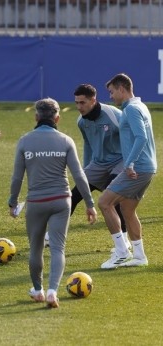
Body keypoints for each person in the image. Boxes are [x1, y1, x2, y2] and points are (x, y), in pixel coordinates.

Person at [8, 98, 97, 308]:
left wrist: (12, 202)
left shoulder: (24, 141)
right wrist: (90, 203)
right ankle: (52, 291)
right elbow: (80, 176)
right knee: (58, 248)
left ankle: (37, 290)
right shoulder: (66, 141)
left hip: (36, 202)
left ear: (36, 117)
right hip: (61, 201)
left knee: (36, 249)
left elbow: (16, 178)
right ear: (57, 117)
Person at [44, 84, 128, 250]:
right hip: (99, 164)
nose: (79, 107)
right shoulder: (81, 122)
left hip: (120, 161)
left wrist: (130, 163)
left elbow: (130, 136)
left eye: (82, 103)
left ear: (93, 100)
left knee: (113, 199)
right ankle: (52, 235)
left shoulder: (113, 114)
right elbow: (88, 145)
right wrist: (86, 169)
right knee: (73, 195)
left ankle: (124, 240)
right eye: (76, 103)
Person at [99, 73, 157, 269]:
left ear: (122, 89)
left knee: (105, 203)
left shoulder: (131, 109)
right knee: (127, 209)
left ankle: (122, 252)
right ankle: (139, 256)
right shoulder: (140, 106)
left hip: (138, 168)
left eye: (112, 92)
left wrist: (130, 163)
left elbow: (141, 138)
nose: (111, 96)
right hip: (147, 167)